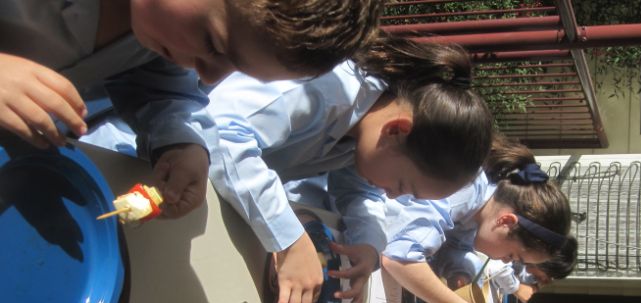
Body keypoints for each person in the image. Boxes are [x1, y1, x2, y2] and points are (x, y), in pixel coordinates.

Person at [85, 35, 494, 303]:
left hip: (190, 199)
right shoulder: (325, 89)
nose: (394, 196)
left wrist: (369, 244)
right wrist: (291, 239)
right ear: (397, 130)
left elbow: (361, 188)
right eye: (404, 187)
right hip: (126, 160)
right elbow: (223, 135)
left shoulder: (365, 133)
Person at [0, 0, 382, 218]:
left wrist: (181, 141)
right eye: (214, 44)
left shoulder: (157, 28)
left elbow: (159, 85)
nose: (209, 76)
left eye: (236, 69)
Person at [382, 135, 577, 303]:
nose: (506, 261)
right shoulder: (463, 187)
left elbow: (455, 247)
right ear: (506, 222)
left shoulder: (478, 213)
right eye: (513, 255)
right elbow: (399, 255)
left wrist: (462, 271)